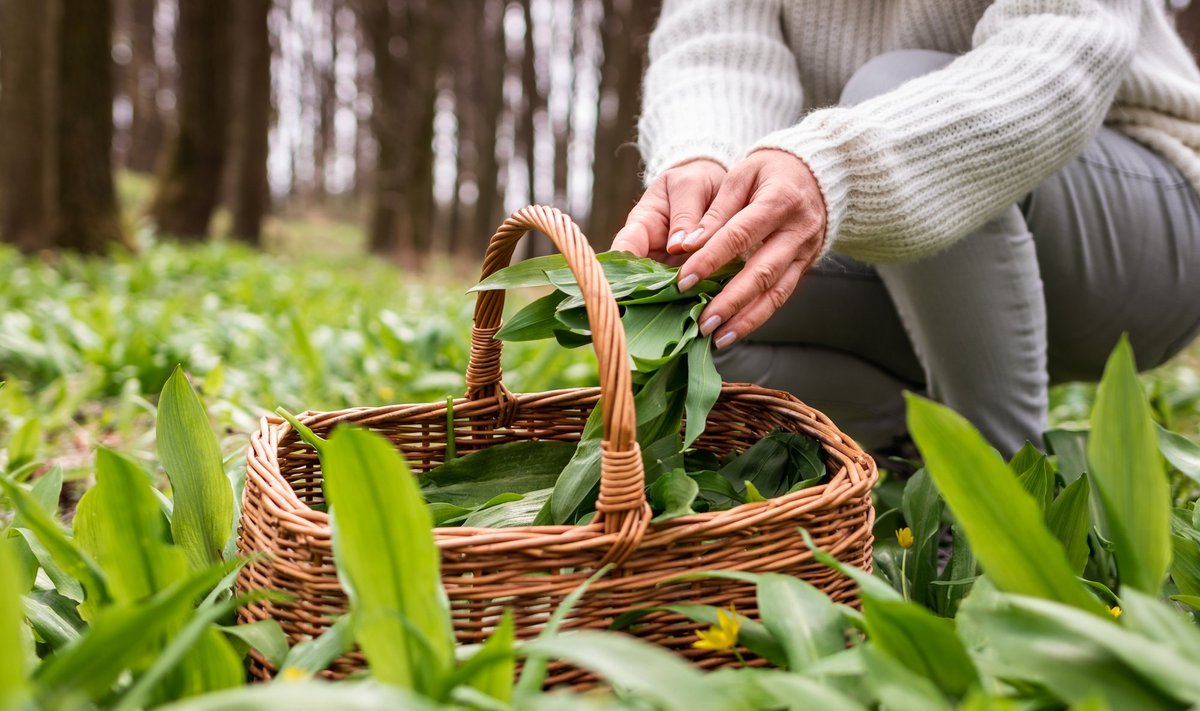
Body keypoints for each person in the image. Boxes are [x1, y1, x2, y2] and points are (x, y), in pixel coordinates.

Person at [612, 0, 1200, 457]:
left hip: (1141, 235)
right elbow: (714, 46)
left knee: (894, 85)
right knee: (691, 310)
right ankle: (919, 450)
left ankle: (999, 499)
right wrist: (705, 163)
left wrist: (840, 165)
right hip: (895, 252)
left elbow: (1061, 49)